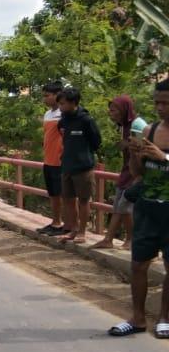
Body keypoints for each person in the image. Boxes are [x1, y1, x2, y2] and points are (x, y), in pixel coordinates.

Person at [109, 79, 169, 338]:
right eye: (157, 103)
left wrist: (164, 157)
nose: (160, 108)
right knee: (138, 265)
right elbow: (137, 174)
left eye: (166, 103)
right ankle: (138, 318)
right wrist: (136, 155)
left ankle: (165, 317)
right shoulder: (150, 130)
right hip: (148, 207)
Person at [94, 96, 147, 250]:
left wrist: (138, 175)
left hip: (135, 171)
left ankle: (128, 240)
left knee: (123, 205)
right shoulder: (124, 126)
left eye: (114, 110)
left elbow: (142, 148)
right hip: (127, 170)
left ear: (124, 110)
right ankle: (112, 239)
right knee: (119, 205)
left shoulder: (137, 124)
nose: (111, 113)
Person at [57, 88, 102, 245]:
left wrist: (82, 153)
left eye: (63, 104)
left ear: (74, 103)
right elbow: (61, 133)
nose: (60, 107)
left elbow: (96, 142)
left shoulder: (86, 120)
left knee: (84, 200)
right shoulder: (63, 120)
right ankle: (74, 229)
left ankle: (82, 232)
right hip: (67, 166)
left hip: (83, 167)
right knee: (68, 199)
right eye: (59, 104)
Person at [37, 82, 68, 235]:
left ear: (57, 95)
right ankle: (55, 221)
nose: (45, 99)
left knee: (64, 194)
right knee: (53, 193)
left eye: (47, 95)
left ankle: (67, 224)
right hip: (48, 160)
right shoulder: (48, 114)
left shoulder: (64, 114)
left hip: (60, 160)